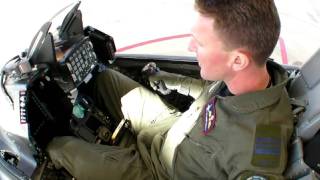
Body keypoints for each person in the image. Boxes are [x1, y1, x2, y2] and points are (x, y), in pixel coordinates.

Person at [47, 0, 293, 179]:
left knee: (59, 147)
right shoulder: (249, 77)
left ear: (238, 60)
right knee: (104, 79)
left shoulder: (262, 143)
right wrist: (168, 79)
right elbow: (208, 92)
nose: (190, 47)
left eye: (200, 42)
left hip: (159, 172)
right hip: (173, 129)